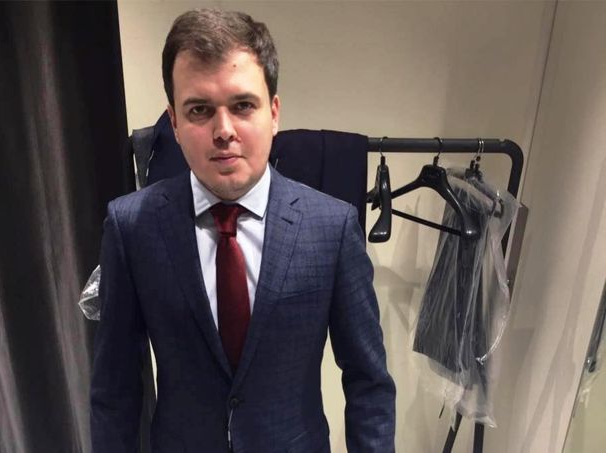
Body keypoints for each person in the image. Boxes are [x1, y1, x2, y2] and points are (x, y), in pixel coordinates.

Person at [91, 8, 395, 453]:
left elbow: (368, 382)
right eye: (199, 110)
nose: (224, 131)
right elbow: (114, 389)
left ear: (274, 113)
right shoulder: (132, 227)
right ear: (174, 122)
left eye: (242, 106)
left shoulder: (331, 227)